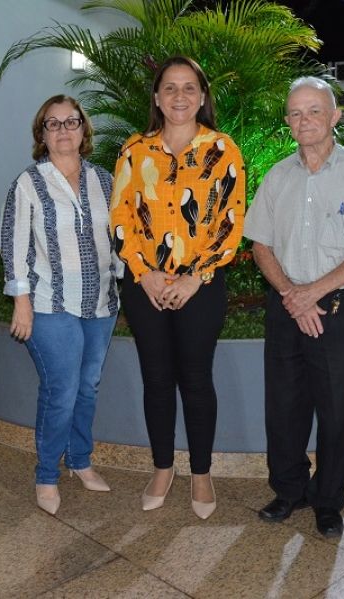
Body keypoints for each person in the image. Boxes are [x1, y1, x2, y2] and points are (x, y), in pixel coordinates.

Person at [244, 76, 344, 537]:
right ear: (288, 123)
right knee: (284, 404)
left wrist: (313, 293)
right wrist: (294, 295)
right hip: (287, 305)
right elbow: (260, 247)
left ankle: (328, 500)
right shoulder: (277, 177)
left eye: (314, 110)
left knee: (335, 408)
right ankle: (289, 489)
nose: (303, 120)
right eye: (295, 113)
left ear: (335, 117)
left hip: (340, 307)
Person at [110, 56, 245, 520]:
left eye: (189, 88)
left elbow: (231, 225)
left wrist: (193, 278)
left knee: (196, 379)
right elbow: (121, 217)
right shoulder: (135, 151)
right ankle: (163, 467)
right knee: (156, 379)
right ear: (157, 98)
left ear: (202, 97)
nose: (180, 96)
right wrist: (145, 273)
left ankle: (202, 473)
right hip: (144, 284)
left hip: (201, 286)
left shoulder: (223, 149)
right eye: (170, 88)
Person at [0, 95, 119, 516]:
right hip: (50, 303)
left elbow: (120, 238)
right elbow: (13, 247)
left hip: (102, 303)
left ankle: (81, 461)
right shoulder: (29, 184)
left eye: (72, 122)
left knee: (88, 387)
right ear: (42, 134)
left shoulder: (105, 180)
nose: (64, 130)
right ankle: (47, 474)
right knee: (62, 389)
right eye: (54, 124)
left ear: (84, 130)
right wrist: (21, 304)